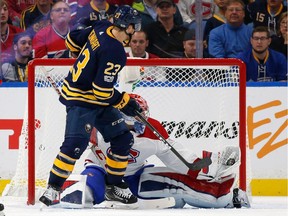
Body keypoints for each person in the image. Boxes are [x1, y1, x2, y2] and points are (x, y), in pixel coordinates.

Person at [59, 93, 250, 209]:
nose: (140, 120)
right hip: (99, 171)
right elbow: (76, 135)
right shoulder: (101, 123)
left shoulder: (153, 131)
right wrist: (85, 127)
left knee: (181, 186)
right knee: (81, 195)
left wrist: (205, 168)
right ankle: (57, 190)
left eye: (142, 114)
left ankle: (231, 196)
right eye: (134, 116)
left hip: (134, 178)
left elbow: (179, 160)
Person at [39, 5, 144, 208]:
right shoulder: (115, 51)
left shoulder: (102, 26)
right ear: (130, 28)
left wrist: (87, 62)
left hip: (93, 96)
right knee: (75, 145)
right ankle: (53, 188)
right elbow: (102, 91)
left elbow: (72, 40)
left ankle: (114, 186)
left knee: (122, 138)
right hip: (82, 99)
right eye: (134, 27)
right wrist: (124, 102)